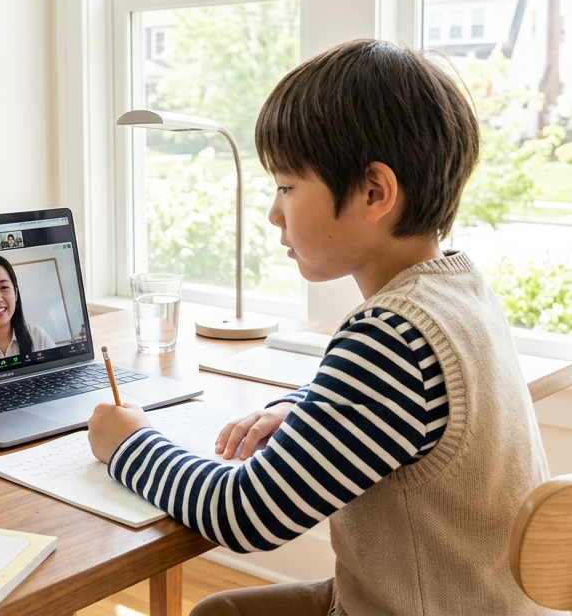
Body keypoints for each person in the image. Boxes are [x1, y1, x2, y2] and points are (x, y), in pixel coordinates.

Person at [86, 40, 550, 616]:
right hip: (462, 599)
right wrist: (309, 405)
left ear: (375, 192)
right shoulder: (461, 291)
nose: (274, 212)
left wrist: (128, 443)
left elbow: (245, 515)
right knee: (218, 612)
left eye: (286, 186)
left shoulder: (391, 338)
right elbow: (416, 411)